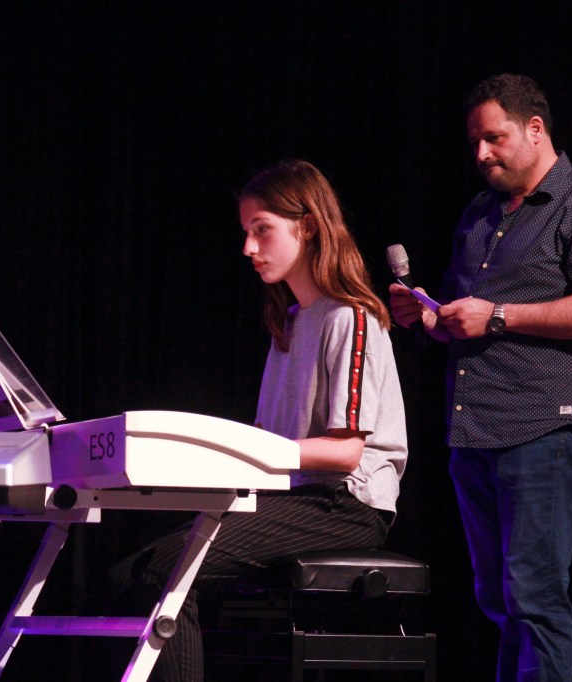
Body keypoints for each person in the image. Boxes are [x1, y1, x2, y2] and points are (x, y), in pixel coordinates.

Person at [110, 158, 408, 681]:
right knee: (127, 573)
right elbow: (270, 443)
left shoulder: (350, 317)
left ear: (308, 226)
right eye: (246, 232)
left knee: (161, 573)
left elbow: (345, 453)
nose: (249, 247)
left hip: (345, 503)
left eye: (262, 230)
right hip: (290, 498)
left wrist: (253, 452)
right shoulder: (289, 324)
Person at [389, 74, 572, 682]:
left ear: (535, 129)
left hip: (542, 428)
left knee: (534, 597)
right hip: (473, 429)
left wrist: (498, 314)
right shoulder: (480, 213)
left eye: (494, 138)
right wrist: (429, 319)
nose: (481, 154)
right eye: (474, 142)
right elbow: (464, 320)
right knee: (499, 600)